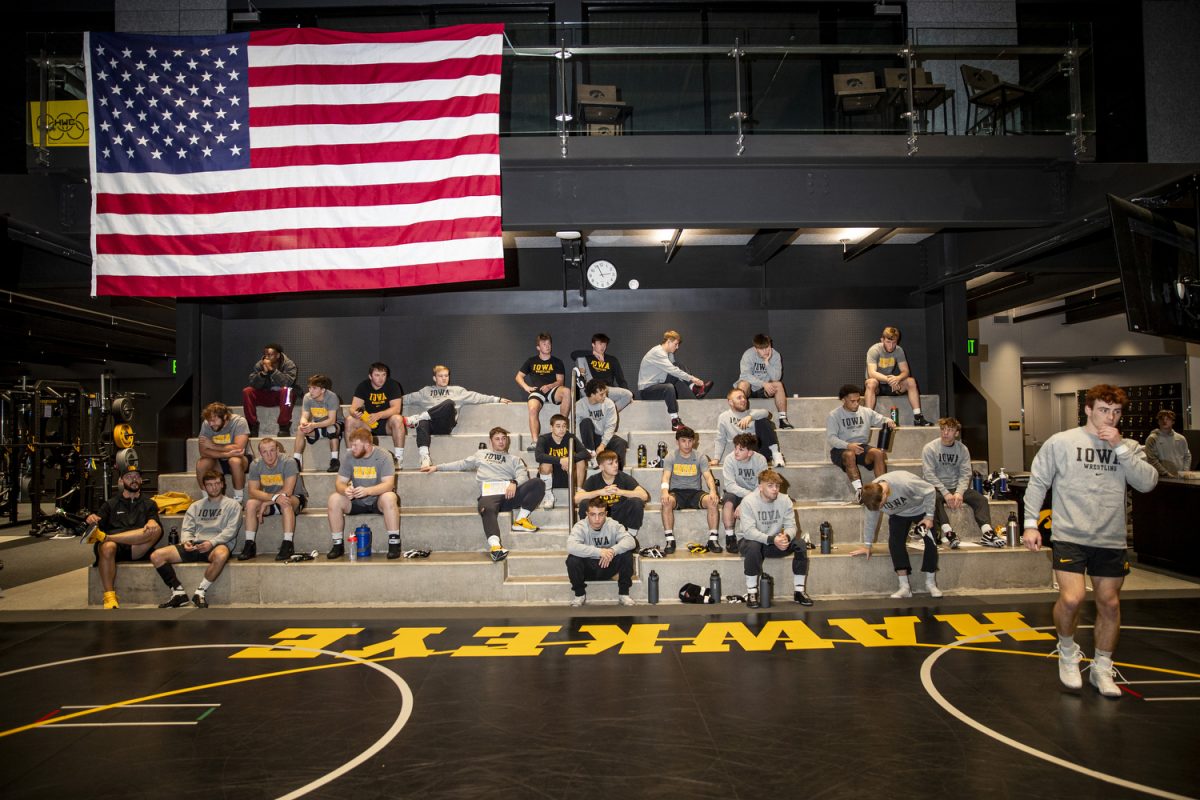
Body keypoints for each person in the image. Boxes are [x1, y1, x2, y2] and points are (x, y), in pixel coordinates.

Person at [1022, 384, 1159, 698]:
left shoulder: (1129, 446)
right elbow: (1038, 482)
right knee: (1071, 599)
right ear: (1087, 409)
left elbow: (1147, 483)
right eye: (1103, 410)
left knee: (1109, 604)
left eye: (1116, 411)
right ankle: (1068, 651)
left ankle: (1101, 666)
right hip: (1070, 534)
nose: (1109, 417)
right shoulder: (1062, 442)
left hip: (1109, 538)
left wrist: (1121, 448)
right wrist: (1031, 525)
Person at [422, 427, 544, 562]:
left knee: (538, 483)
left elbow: (523, 476)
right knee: (487, 508)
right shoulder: (481, 454)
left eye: (504, 438)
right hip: (489, 495)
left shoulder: (514, 459)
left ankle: (521, 520)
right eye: (497, 439)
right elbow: (461, 464)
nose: (501, 442)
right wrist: (438, 467)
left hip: (509, 494)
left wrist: (514, 482)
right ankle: (496, 547)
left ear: (507, 440)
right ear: (491, 441)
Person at [151, 469, 241, 609]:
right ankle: (178, 592)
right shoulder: (195, 506)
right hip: (195, 545)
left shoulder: (232, 505)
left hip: (216, 545)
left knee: (222, 554)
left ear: (223, 484)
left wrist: (211, 542)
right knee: (157, 556)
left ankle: (200, 592)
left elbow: (231, 531)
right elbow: (187, 528)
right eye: (210, 484)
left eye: (217, 483)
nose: (214, 487)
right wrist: (187, 541)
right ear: (204, 487)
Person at [81, 465, 162, 610]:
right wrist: (92, 519)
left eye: (137, 476)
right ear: (121, 481)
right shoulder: (110, 504)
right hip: (115, 551)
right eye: (129, 477)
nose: (134, 480)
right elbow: (96, 525)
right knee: (108, 546)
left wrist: (152, 522)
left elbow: (154, 522)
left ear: (141, 480)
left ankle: (107, 538)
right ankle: (109, 596)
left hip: (137, 548)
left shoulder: (149, 504)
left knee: (155, 530)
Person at [402, 364, 511, 468]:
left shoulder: (457, 391)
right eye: (441, 376)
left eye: (446, 375)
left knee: (449, 403)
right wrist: (389, 402)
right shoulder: (425, 392)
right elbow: (405, 399)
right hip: (430, 426)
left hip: (446, 424)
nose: (444, 378)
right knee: (422, 423)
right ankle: (424, 457)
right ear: (434, 378)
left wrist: (497, 399)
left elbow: (476, 397)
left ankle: (418, 418)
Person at [854, 472, 943, 599]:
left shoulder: (904, 483)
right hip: (898, 515)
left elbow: (930, 490)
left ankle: (931, 583)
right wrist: (867, 545)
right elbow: (871, 519)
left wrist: (929, 517)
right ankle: (904, 587)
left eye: (881, 505)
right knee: (895, 544)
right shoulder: (871, 495)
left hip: (920, 510)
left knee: (931, 541)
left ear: (884, 494)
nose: (881, 508)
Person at [737, 468, 811, 607]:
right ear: (760, 487)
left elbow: (792, 526)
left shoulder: (785, 500)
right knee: (754, 546)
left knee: (800, 544)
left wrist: (786, 537)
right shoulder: (748, 501)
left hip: (774, 542)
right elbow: (749, 532)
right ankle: (752, 592)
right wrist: (772, 540)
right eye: (770, 486)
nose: (775, 489)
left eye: (777, 486)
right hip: (749, 542)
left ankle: (799, 592)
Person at [921, 417, 999, 549]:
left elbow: (965, 473)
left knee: (980, 499)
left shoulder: (962, 449)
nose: (945, 433)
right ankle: (948, 532)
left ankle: (987, 532)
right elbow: (929, 475)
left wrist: (959, 492)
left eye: (950, 430)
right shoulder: (930, 448)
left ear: (956, 433)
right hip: (936, 487)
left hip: (955, 486)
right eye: (943, 429)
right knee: (933, 498)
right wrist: (946, 493)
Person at [326, 428, 402, 560]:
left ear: (367, 445)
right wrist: (345, 490)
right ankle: (337, 544)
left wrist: (368, 491)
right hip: (356, 500)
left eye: (355, 445)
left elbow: (389, 485)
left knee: (390, 497)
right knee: (334, 499)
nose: (352, 448)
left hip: (377, 500)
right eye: (351, 445)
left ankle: (394, 543)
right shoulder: (349, 456)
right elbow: (339, 483)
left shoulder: (383, 456)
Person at [239, 437, 307, 562]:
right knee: (250, 504)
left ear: (278, 450)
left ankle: (287, 544)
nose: (269, 455)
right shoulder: (255, 464)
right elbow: (252, 491)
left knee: (285, 502)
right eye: (265, 452)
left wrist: (267, 502)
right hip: (272, 498)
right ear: (260, 453)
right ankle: (249, 544)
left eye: (272, 450)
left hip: (294, 498)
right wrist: (272, 498)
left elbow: (287, 491)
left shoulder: (289, 462)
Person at [827, 384, 895, 503]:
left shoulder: (866, 412)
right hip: (841, 448)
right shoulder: (834, 415)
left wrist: (889, 421)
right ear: (843, 400)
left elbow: (882, 420)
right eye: (852, 401)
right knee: (849, 455)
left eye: (858, 400)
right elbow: (831, 438)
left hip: (861, 447)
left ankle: (882, 489)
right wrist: (848, 446)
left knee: (878, 453)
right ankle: (859, 491)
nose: (856, 404)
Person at [566, 497, 638, 607]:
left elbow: (631, 541)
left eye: (601, 514)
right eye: (592, 514)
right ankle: (579, 594)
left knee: (626, 555)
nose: (597, 519)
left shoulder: (613, 524)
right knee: (572, 560)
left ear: (606, 514)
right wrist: (599, 552)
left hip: (608, 566)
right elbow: (571, 546)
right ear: (587, 514)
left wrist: (612, 551)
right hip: (588, 569)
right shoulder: (580, 526)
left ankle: (624, 593)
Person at [637, 330, 714, 432]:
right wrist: (693, 378)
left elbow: (675, 368)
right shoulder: (657, 352)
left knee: (679, 366)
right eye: (676, 344)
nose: (677, 347)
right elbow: (672, 370)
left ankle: (696, 390)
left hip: (659, 384)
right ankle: (675, 421)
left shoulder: (668, 353)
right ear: (668, 341)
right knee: (669, 387)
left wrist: (690, 380)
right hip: (647, 390)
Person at [660, 426, 720, 555]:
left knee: (712, 501)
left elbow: (708, 477)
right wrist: (664, 492)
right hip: (677, 492)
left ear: (694, 442)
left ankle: (713, 539)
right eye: (683, 441)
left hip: (695, 493)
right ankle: (670, 539)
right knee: (666, 502)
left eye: (689, 441)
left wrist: (713, 491)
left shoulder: (700, 457)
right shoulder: (671, 457)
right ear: (677, 442)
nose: (687, 444)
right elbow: (666, 476)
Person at [574, 450, 649, 540]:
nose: (616, 465)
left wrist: (620, 492)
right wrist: (599, 492)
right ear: (601, 467)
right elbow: (576, 499)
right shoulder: (593, 479)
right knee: (584, 503)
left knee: (636, 501)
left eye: (616, 462)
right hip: (601, 517)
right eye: (611, 463)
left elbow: (644, 496)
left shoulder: (624, 478)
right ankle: (590, 536)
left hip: (620, 517)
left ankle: (630, 537)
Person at [864, 327, 932, 426]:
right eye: (888, 342)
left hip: (891, 384)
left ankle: (918, 418)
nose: (891, 346)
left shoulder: (899, 350)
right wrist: (889, 379)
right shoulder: (874, 350)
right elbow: (872, 373)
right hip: (877, 386)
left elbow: (906, 371)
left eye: (894, 343)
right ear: (882, 339)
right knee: (871, 382)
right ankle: (868, 419)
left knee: (911, 381)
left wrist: (898, 378)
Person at [345, 362, 407, 469]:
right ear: (370, 376)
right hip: (368, 424)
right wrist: (355, 413)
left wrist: (379, 414)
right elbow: (353, 408)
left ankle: (398, 459)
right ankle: (351, 458)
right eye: (377, 375)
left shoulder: (392, 385)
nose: (381, 378)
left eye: (383, 375)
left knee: (397, 418)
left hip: (387, 424)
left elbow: (396, 409)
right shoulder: (363, 386)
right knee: (349, 420)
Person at [711, 387, 786, 470]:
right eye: (739, 398)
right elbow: (720, 439)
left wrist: (750, 417)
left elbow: (766, 413)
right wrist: (716, 459)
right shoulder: (724, 417)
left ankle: (776, 454)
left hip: (756, 451)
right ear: (731, 402)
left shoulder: (751, 413)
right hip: (739, 452)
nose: (743, 400)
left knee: (762, 419)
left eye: (744, 397)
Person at [515, 332, 568, 447]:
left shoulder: (557, 361)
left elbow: (560, 381)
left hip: (552, 390)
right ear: (538, 347)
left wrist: (549, 386)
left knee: (567, 391)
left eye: (549, 344)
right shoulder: (531, 361)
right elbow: (518, 376)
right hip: (537, 391)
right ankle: (535, 441)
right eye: (544, 344)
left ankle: (563, 426)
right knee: (533, 409)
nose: (548, 346)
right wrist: (526, 387)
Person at [720, 433, 769, 553]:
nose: (736, 452)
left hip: (756, 494)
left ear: (750, 452)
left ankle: (758, 537)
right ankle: (730, 537)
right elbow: (730, 485)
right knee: (728, 502)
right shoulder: (729, 459)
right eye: (736, 448)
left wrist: (746, 502)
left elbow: (763, 485)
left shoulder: (760, 460)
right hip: (736, 492)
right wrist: (747, 497)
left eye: (741, 449)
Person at [195, 401, 251, 501]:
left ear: (225, 417)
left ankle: (238, 499)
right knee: (201, 463)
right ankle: (207, 499)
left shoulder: (239, 421)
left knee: (234, 461)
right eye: (209, 421)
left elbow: (238, 448)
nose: (211, 424)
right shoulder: (207, 424)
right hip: (218, 460)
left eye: (214, 420)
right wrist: (227, 453)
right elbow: (203, 452)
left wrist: (213, 446)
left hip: (241, 458)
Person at [734, 334, 792, 428]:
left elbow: (776, 377)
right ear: (756, 348)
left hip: (764, 390)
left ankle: (783, 419)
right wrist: (763, 383)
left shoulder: (775, 355)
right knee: (743, 384)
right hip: (750, 388)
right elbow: (745, 375)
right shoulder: (748, 354)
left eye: (767, 347)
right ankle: (740, 417)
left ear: (770, 344)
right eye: (762, 349)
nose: (766, 351)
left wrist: (767, 362)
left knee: (778, 384)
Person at [242, 343, 298, 437]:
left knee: (287, 390)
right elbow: (253, 384)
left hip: (282, 397)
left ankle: (284, 426)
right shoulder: (260, 364)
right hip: (266, 395)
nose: (267, 357)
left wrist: (272, 371)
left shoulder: (289, 364)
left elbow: (287, 383)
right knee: (247, 391)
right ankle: (252, 425)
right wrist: (263, 373)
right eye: (265, 354)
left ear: (278, 355)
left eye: (270, 355)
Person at [293, 373, 344, 474]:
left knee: (331, 428)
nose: (310, 391)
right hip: (318, 425)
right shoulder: (307, 397)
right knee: (300, 429)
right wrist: (304, 424)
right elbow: (304, 415)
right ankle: (296, 461)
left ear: (323, 390)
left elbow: (331, 420)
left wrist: (313, 425)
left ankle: (334, 461)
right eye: (310, 388)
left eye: (314, 388)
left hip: (335, 423)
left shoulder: (332, 397)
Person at [535, 414, 588, 509]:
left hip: (567, 475)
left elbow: (585, 453)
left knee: (581, 461)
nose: (561, 429)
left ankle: (579, 491)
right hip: (550, 477)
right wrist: (560, 460)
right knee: (545, 464)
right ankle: (548, 496)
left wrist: (569, 460)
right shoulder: (544, 439)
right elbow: (538, 456)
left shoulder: (570, 437)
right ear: (551, 428)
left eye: (564, 426)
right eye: (558, 426)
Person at [575, 379, 629, 470]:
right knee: (586, 422)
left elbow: (610, 427)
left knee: (621, 443)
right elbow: (576, 429)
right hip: (589, 439)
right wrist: (582, 448)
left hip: (603, 436)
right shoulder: (580, 405)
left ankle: (618, 473)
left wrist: (603, 445)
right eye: (601, 394)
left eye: (605, 393)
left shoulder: (609, 403)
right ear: (592, 394)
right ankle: (591, 457)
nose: (605, 396)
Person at [571, 333, 633, 410]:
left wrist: (626, 391)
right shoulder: (587, 357)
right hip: (591, 388)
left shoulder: (612, 360)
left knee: (628, 394)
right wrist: (594, 353)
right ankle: (582, 383)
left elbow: (621, 380)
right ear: (593, 344)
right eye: (600, 344)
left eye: (605, 344)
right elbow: (573, 354)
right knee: (580, 358)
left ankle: (608, 412)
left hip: (606, 389)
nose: (603, 346)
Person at [1144, 409, 1192, 477]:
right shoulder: (1152, 439)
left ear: (1173, 421)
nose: (1164, 421)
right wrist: (1165, 473)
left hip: (1180, 477)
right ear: (1158, 421)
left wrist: (1185, 471)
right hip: (1162, 478)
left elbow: (1187, 456)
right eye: (1162, 419)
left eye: (1168, 419)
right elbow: (1151, 459)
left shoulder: (1181, 438)